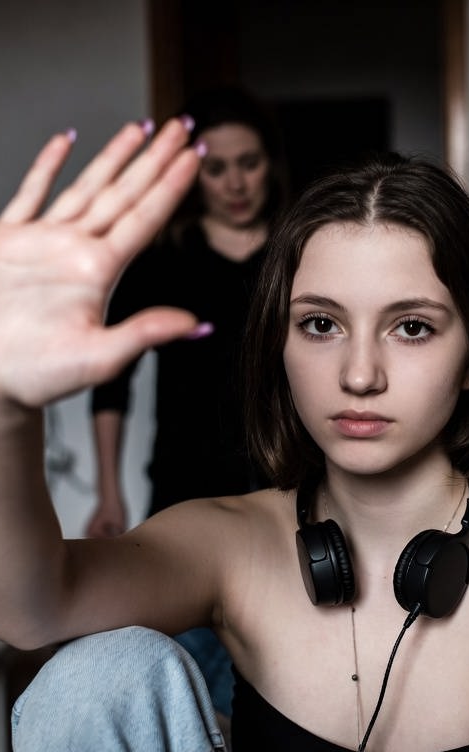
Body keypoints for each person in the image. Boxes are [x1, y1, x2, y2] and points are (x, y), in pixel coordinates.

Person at [0, 118, 469, 752]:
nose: (360, 375)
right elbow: (21, 608)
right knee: (97, 676)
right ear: (281, 344)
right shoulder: (234, 545)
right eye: (321, 324)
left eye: (412, 327)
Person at [84, 84, 286, 540]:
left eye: (249, 163)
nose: (235, 185)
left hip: (289, 487)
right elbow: (110, 383)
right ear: (192, 174)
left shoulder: (300, 254)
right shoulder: (160, 263)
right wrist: (109, 493)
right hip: (183, 486)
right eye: (215, 169)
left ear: (270, 165)